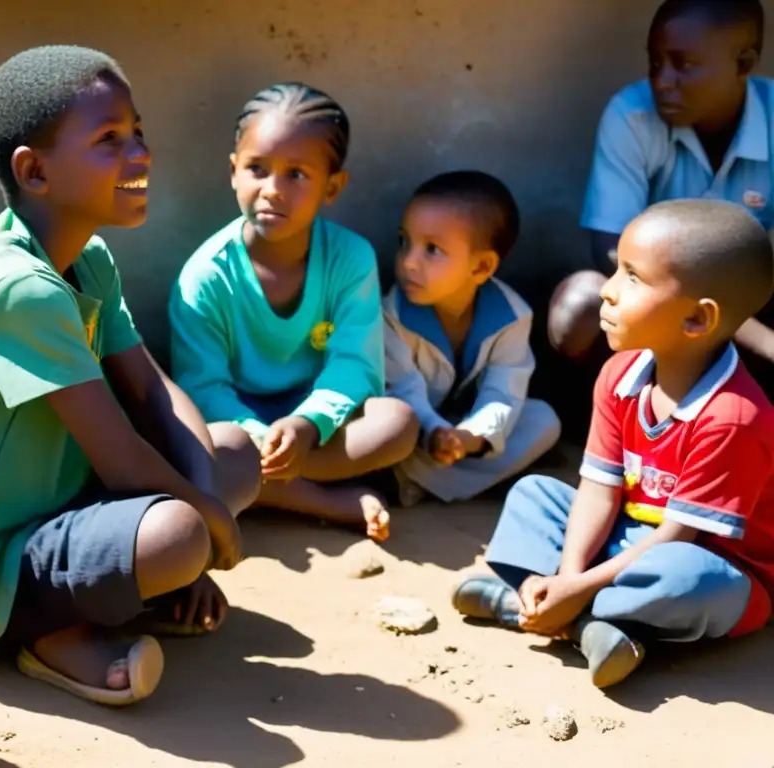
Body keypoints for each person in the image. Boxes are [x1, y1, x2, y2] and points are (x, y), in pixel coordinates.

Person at [0, 46, 261, 708]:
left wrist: (206, 504)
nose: (140, 155)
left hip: (57, 502)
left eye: (137, 132)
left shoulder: (86, 258)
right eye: (108, 140)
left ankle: (135, 580)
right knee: (179, 530)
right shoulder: (16, 289)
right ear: (35, 171)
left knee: (232, 451)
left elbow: (152, 391)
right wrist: (208, 523)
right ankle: (53, 634)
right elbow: (123, 460)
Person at [454, 200, 774, 688]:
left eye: (632, 278)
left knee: (683, 577)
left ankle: (537, 607)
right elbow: (599, 491)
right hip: (624, 540)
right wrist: (569, 576)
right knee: (534, 495)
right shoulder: (619, 374)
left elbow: (676, 538)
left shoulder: (734, 418)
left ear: (696, 320)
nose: (606, 291)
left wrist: (577, 587)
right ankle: (591, 626)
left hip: (716, 567)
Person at [169, 82, 419, 542]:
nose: (273, 190)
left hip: (315, 422)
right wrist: (260, 438)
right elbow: (201, 387)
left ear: (333, 186)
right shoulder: (204, 277)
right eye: (257, 169)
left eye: (297, 175)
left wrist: (307, 424)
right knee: (202, 448)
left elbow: (355, 366)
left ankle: (265, 490)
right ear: (233, 172)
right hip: (238, 427)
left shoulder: (350, 258)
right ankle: (321, 499)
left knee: (397, 424)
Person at [549, 0, 774, 396]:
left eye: (684, 64)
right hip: (657, 299)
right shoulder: (631, 117)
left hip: (753, 298)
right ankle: (610, 424)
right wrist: (761, 341)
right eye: (656, 63)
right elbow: (608, 247)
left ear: (744, 63)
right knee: (582, 304)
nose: (663, 81)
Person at [384, 171, 561, 506]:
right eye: (403, 241)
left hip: (458, 431)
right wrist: (435, 432)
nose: (408, 261)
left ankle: (416, 483)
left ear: (481, 267)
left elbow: (503, 394)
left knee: (543, 422)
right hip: (414, 432)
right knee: (392, 424)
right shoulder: (391, 315)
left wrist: (470, 437)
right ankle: (433, 479)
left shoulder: (512, 316)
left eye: (431, 249)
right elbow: (404, 391)